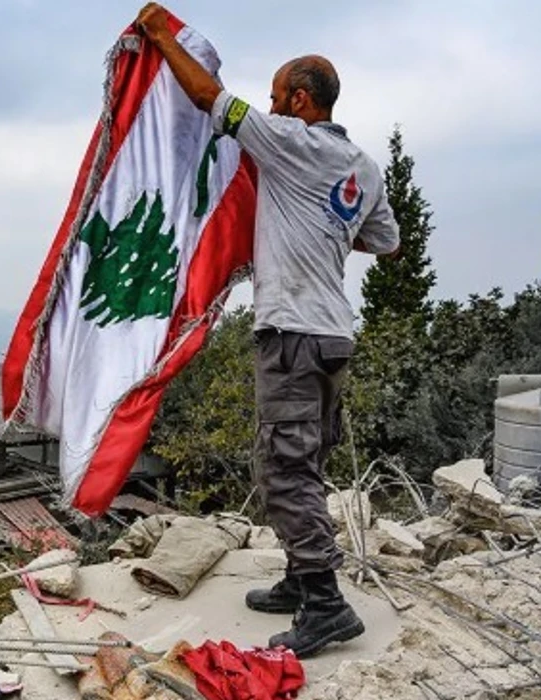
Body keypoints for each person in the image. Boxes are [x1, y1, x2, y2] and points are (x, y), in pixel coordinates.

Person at [135, 3, 401, 658]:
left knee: (285, 471)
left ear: (301, 100)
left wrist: (161, 36)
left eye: (280, 96)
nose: (273, 107)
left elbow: (206, 96)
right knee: (303, 460)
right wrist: (324, 227)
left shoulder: (291, 142)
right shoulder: (361, 166)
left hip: (291, 334)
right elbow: (385, 240)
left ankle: (325, 605)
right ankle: (295, 577)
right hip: (333, 333)